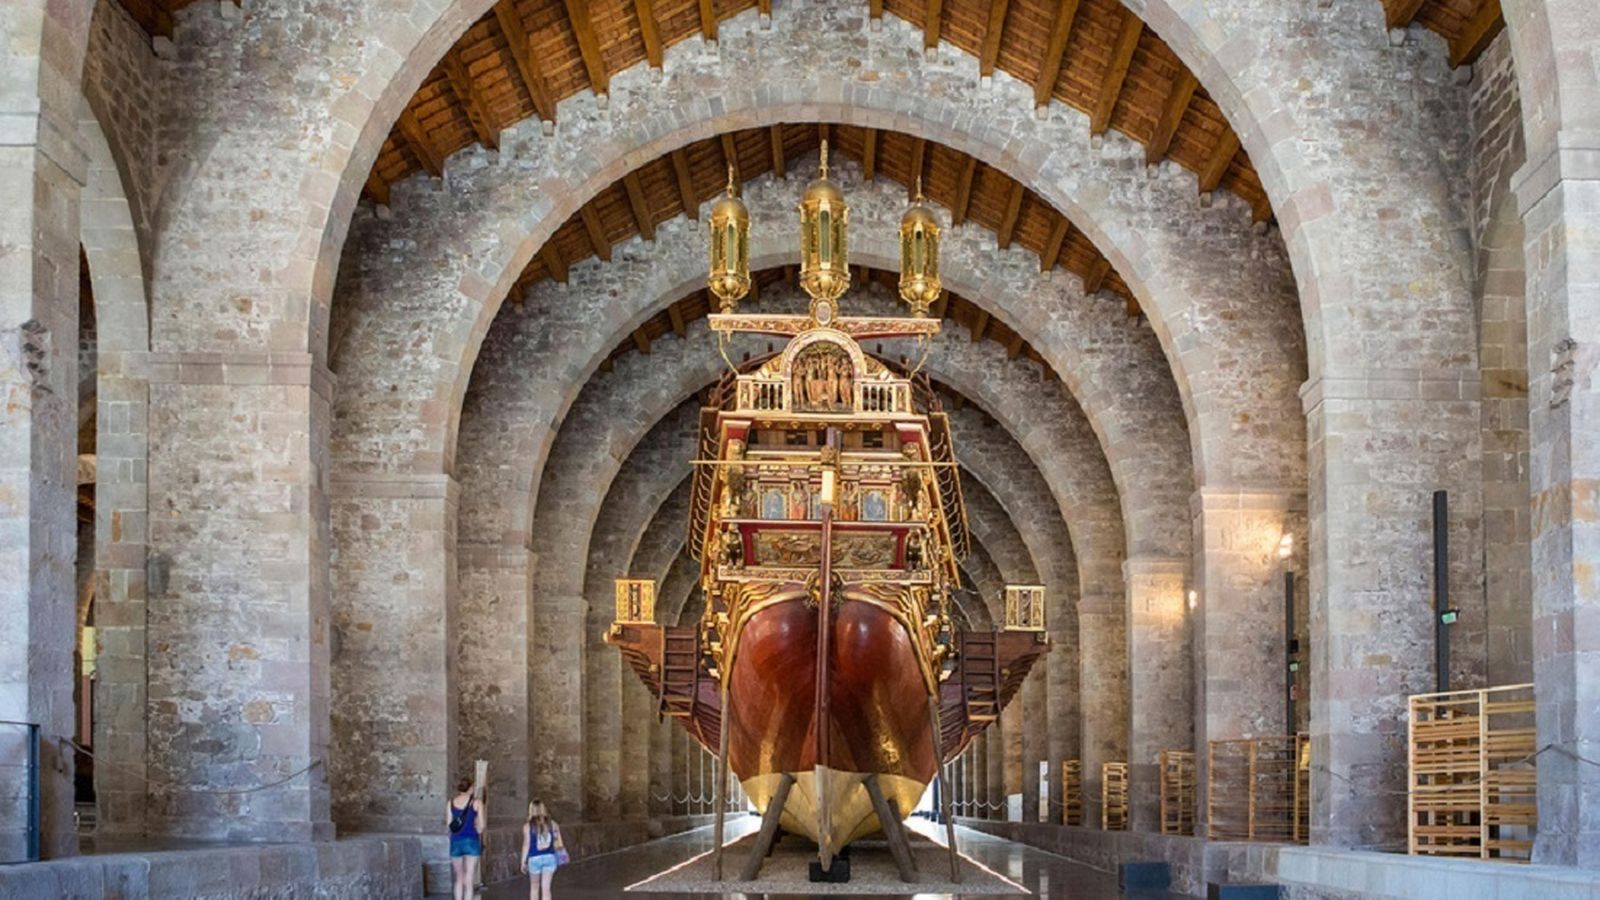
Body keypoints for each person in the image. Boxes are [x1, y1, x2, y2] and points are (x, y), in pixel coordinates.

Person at [447, 776, 485, 900]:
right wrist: (477, 829)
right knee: (469, 879)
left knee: (458, 878)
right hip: (471, 840)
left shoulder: (451, 803)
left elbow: (449, 824)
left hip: (456, 841)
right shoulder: (477, 802)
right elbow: (482, 826)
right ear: (470, 788)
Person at [519, 800, 565, 899]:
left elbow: (526, 845)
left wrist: (523, 861)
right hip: (550, 857)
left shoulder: (527, 826)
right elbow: (558, 841)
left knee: (534, 887)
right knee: (546, 889)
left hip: (534, 858)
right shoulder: (553, 824)